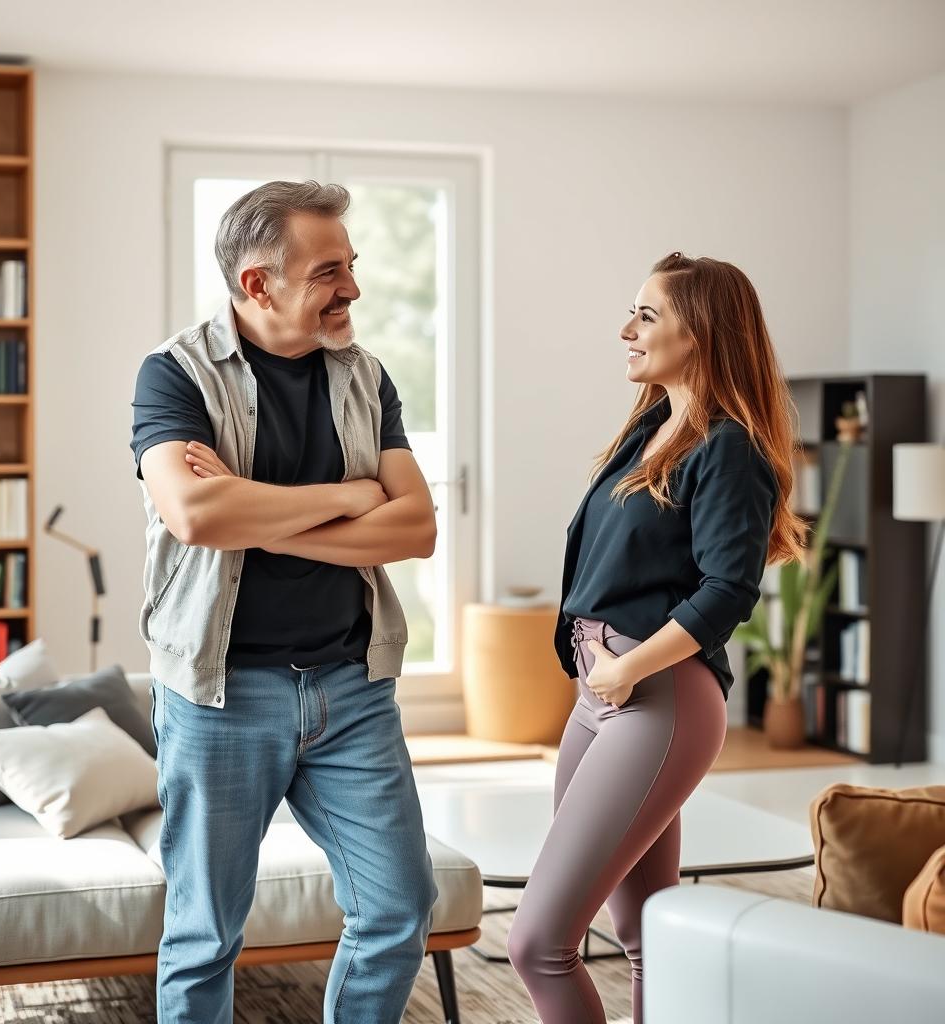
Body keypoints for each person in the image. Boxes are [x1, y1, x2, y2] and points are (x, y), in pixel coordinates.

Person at [129, 180, 439, 1024]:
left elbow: (415, 528)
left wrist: (257, 513)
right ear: (259, 283)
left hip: (352, 687)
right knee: (205, 936)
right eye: (329, 271)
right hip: (223, 695)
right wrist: (351, 494)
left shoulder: (365, 376)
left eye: (352, 265)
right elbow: (195, 512)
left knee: (399, 910)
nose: (353, 289)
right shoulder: (174, 374)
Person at [506, 251, 808, 1023]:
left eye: (647, 315)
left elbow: (729, 590)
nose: (626, 331)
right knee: (644, 929)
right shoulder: (649, 427)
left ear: (701, 333)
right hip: (598, 696)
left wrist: (627, 668)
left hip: (657, 698)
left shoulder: (729, 447)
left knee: (537, 940)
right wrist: (599, 676)